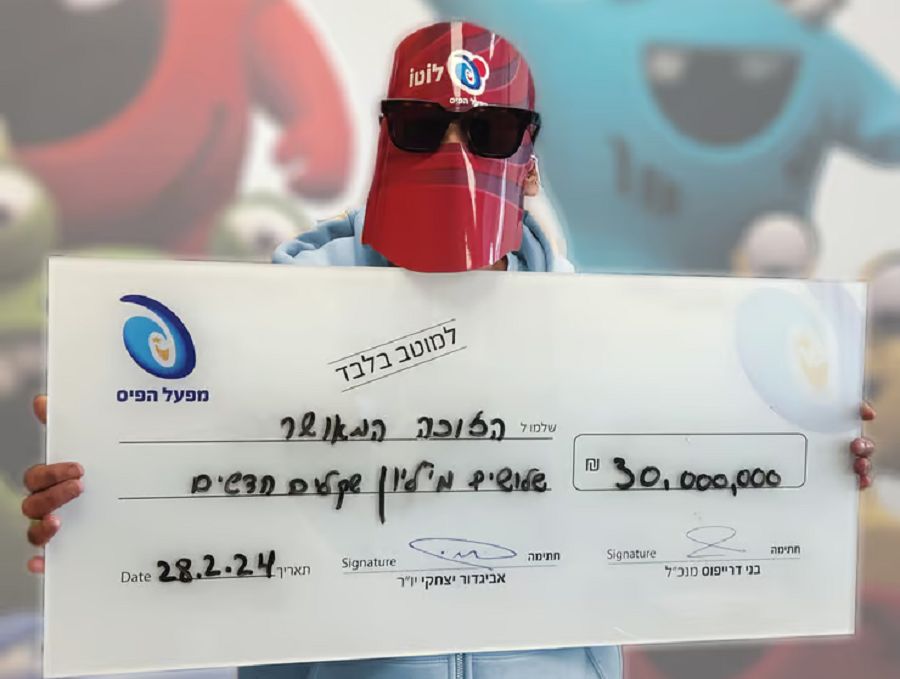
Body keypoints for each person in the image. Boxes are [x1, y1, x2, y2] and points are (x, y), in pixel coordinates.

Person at [21, 21, 877, 679]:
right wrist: (100, 488)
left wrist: (805, 468)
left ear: (529, 161)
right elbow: (190, 493)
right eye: (423, 126)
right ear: (387, 137)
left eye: (490, 131)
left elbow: (680, 494)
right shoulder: (277, 317)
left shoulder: (609, 333)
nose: (456, 154)